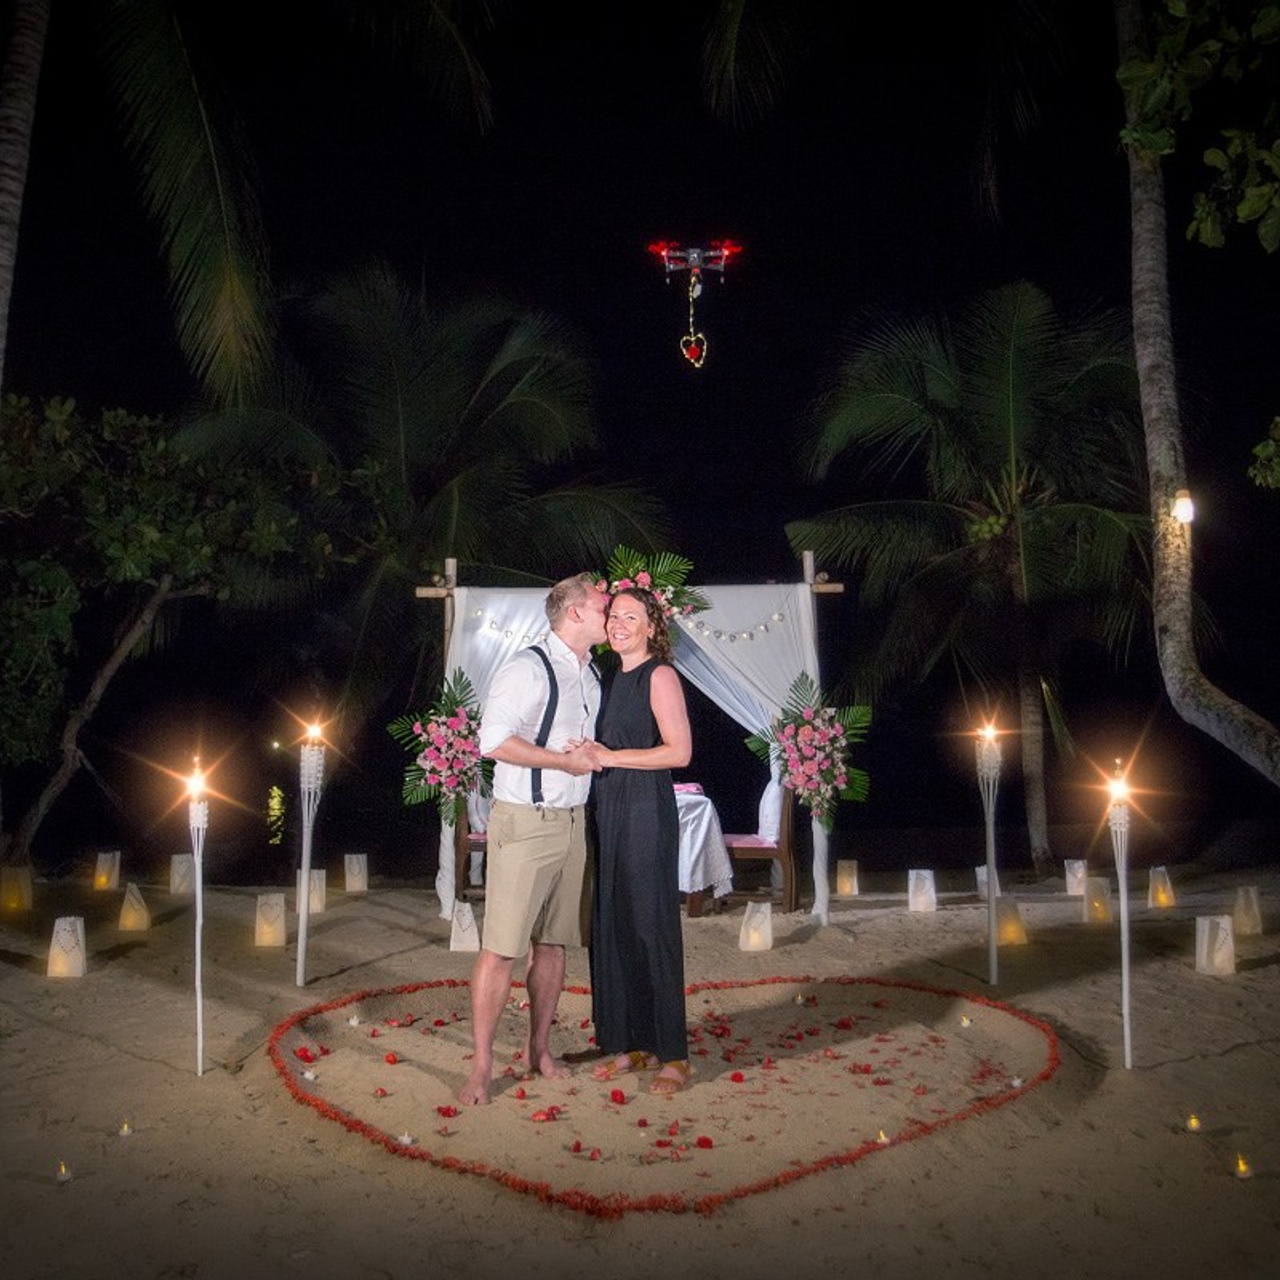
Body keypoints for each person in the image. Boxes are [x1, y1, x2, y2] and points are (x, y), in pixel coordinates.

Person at [457, 572, 608, 1106]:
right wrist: (562, 761)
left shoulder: (590, 676)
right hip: (525, 822)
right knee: (501, 948)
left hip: (573, 823)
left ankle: (537, 1050)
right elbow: (493, 741)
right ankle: (481, 1064)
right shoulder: (528, 667)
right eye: (601, 605)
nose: (608, 612)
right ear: (574, 613)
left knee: (554, 944)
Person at [584, 587, 693, 1096]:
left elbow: (679, 753)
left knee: (652, 927)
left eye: (631, 616)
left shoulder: (661, 675)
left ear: (652, 627)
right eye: (614, 615)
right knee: (619, 925)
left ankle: (673, 1053)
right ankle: (635, 1043)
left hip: (647, 807)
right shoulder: (608, 676)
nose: (618, 624)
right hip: (608, 808)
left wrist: (612, 756)